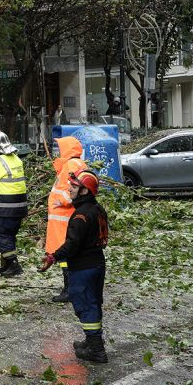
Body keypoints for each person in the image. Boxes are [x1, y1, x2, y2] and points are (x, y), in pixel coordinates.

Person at [41, 170, 110, 363]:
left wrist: (53, 257)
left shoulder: (81, 215)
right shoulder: (97, 209)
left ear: (84, 191)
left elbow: (72, 244)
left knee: (86, 306)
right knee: (93, 303)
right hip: (96, 264)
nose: (69, 188)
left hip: (83, 268)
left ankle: (96, 350)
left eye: (74, 186)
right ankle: (91, 341)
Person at [45, 136, 86, 302]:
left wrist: (59, 201)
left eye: (61, 147)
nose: (58, 150)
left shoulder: (71, 165)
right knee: (67, 254)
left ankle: (69, 291)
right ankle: (71, 288)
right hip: (64, 218)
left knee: (64, 255)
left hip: (63, 218)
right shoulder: (77, 164)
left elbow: (71, 192)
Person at [0, 131, 28, 277]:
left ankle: (13, 265)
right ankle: (8, 265)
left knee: (0, 233)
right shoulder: (16, 159)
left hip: (5, 207)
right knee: (9, 235)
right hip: (19, 207)